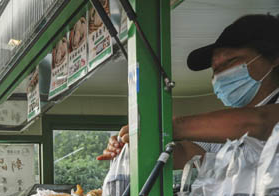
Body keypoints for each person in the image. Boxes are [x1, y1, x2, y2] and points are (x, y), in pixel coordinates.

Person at [99, 14, 279, 168]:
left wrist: (166, 126)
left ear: (274, 58)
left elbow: (258, 122)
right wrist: (134, 144)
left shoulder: (259, 117)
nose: (221, 74)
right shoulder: (224, 128)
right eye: (215, 69)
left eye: (229, 62)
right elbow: (184, 153)